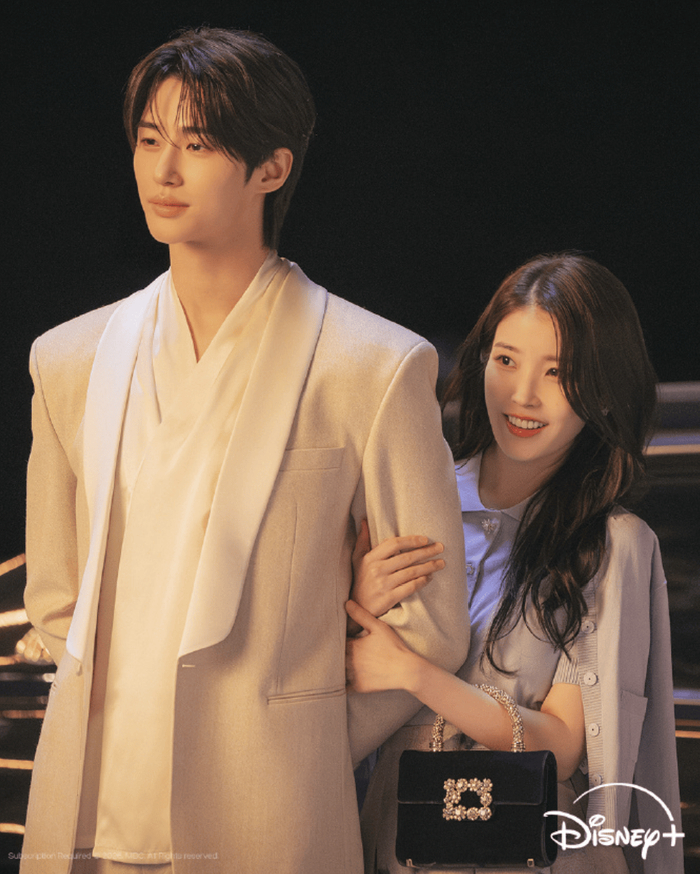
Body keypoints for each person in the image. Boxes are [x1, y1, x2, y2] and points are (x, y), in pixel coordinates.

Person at [21, 27, 470, 874]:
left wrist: (298, 741)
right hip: (91, 805)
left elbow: (434, 624)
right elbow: (55, 599)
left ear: (272, 167)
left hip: (271, 812)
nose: (163, 170)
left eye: (197, 145)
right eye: (149, 140)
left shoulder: (371, 366)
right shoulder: (68, 362)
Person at [346, 253, 683, 873]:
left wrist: (415, 674)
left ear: (603, 389)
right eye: (505, 360)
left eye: (558, 373)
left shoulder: (610, 546)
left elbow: (564, 741)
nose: (522, 395)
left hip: (522, 856)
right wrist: (354, 605)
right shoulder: (413, 504)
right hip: (395, 848)